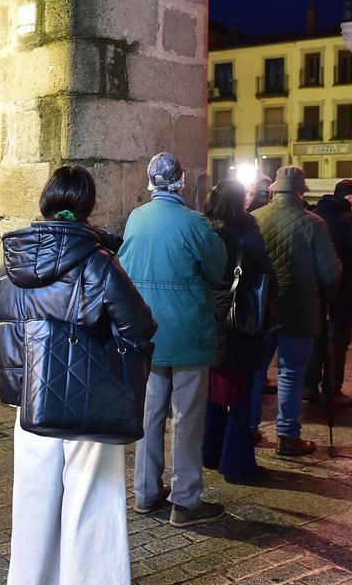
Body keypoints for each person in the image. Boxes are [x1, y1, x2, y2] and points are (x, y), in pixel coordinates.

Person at [0, 165, 155, 584]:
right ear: (87, 205)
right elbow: (139, 325)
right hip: (88, 396)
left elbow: (5, 337)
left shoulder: (12, 264)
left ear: (45, 201)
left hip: (30, 402)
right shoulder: (97, 262)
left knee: (33, 501)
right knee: (92, 500)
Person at [120, 152, 228, 526]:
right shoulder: (193, 222)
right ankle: (185, 501)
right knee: (187, 418)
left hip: (148, 332)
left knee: (149, 414)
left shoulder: (136, 218)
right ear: (181, 181)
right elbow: (218, 270)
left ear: (149, 181)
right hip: (188, 331)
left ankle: (146, 492)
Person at [251, 166, 340, 456]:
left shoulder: (255, 219)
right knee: (291, 373)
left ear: (275, 189)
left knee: (256, 370)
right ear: (302, 191)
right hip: (300, 308)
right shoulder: (314, 224)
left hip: (261, 308)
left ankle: (249, 428)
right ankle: (287, 436)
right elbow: (329, 274)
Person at [202, 179, 276, 483]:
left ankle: (210, 452)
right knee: (240, 396)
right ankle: (236, 464)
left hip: (210, 317)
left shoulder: (206, 231)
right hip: (239, 319)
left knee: (214, 391)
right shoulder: (247, 233)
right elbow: (266, 274)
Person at [307, 179, 352, 407]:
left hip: (315, 289)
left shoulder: (314, 214)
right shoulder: (349, 221)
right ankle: (333, 388)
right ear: (350, 198)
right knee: (339, 342)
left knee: (316, 339)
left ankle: (310, 385)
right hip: (343, 288)